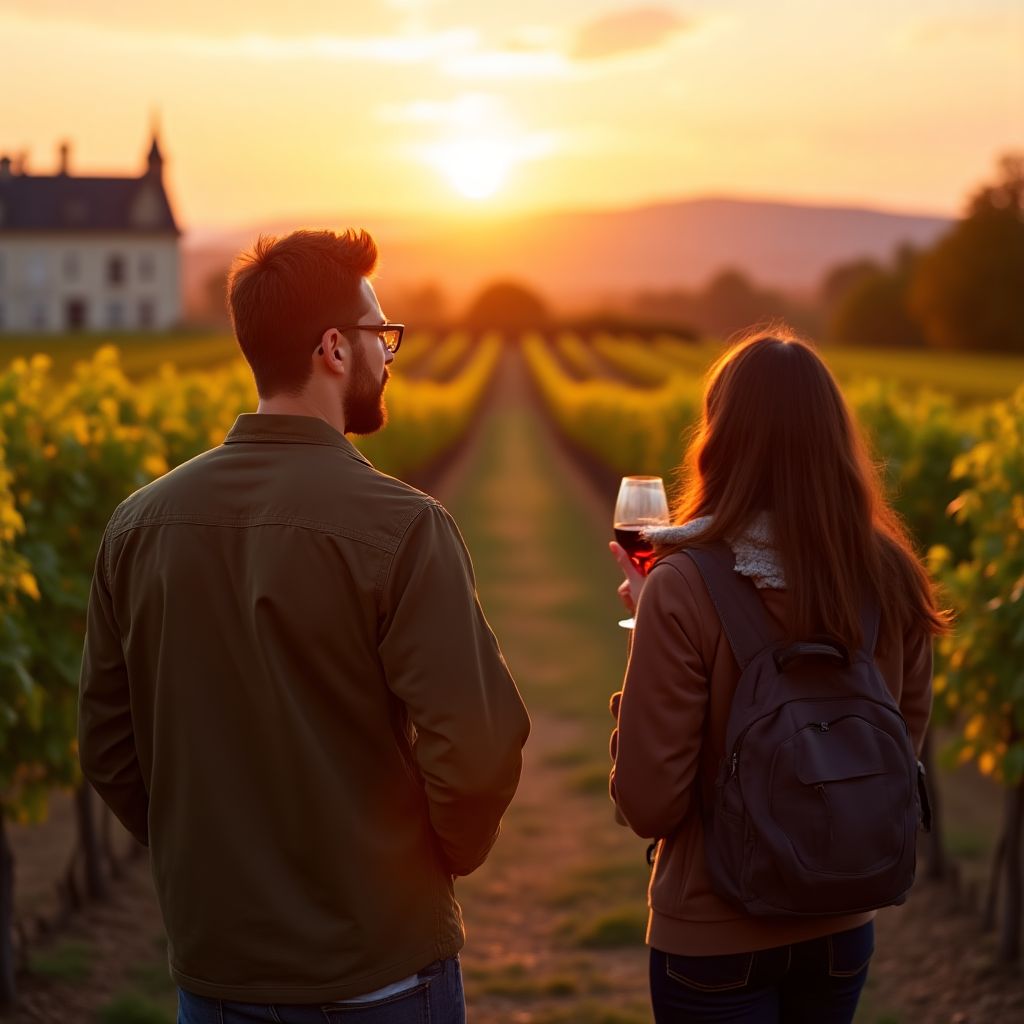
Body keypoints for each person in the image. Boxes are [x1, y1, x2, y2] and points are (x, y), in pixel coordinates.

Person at [78, 228, 530, 1024]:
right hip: (381, 978)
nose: (389, 354)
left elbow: (109, 746)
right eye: (378, 335)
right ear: (333, 349)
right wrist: (433, 861)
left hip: (217, 978)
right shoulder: (404, 528)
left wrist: (210, 852)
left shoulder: (136, 526)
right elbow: (481, 747)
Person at [608, 329, 946, 1024]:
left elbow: (649, 802)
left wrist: (649, 636)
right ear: (834, 440)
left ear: (719, 439)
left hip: (712, 936)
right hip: (842, 923)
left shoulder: (683, 584)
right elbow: (895, 744)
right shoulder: (891, 576)